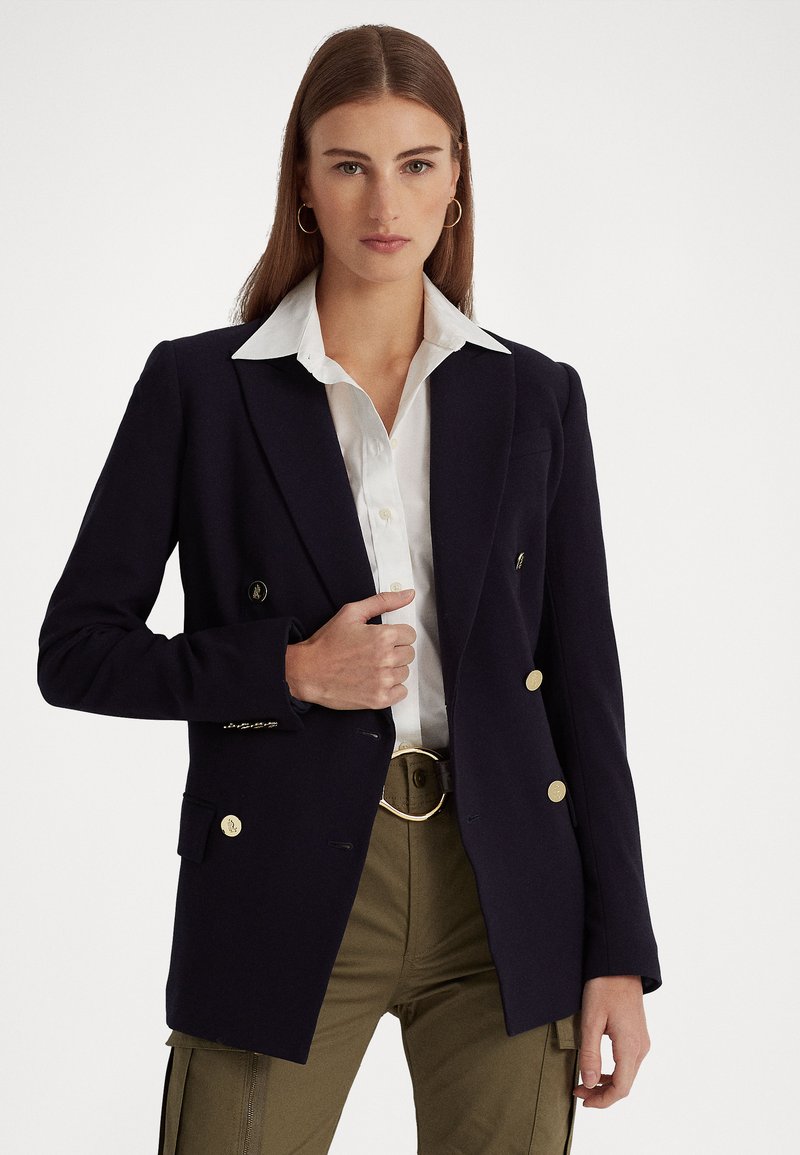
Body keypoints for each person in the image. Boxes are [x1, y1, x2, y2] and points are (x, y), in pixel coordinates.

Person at [37, 22, 662, 1155]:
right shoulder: (200, 388)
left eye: (417, 163)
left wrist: (618, 947)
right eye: (349, 165)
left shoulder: (535, 398)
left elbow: (585, 687)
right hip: (282, 870)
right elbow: (76, 649)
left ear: (457, 179)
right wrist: (286, 669)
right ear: (303, 183)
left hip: (506, 886)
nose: (386, 201)